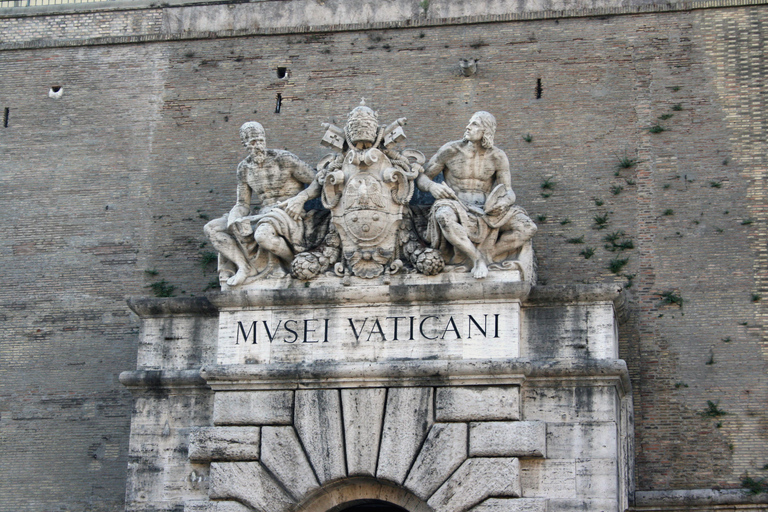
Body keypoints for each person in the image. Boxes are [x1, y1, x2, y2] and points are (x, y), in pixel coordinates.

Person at [416, 111, 537, 278]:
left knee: (528, 227)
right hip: (454, 202)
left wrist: (503, 203)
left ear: (486, 131)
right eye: (469, 123)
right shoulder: (451, 150)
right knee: (444, 216)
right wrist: (431, 186)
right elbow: (422, 177)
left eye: (474, 124)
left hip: (486, 208)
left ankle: (490, 254)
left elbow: (508, 191)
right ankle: (476, 258)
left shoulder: (497, 157)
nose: (468, 127)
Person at [204, 122, 320, 285]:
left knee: (262, 235)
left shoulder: (284, 159)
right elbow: (243, 204)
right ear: (245, 144)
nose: (258, 146)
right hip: (263, 213)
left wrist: (300, 199)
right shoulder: (244, 169)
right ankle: (244, 267)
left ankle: (291, 263)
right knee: (212, 228)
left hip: (287, 211)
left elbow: (318, 181)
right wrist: (234, 220)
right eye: (252, 142)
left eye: (260, 141)